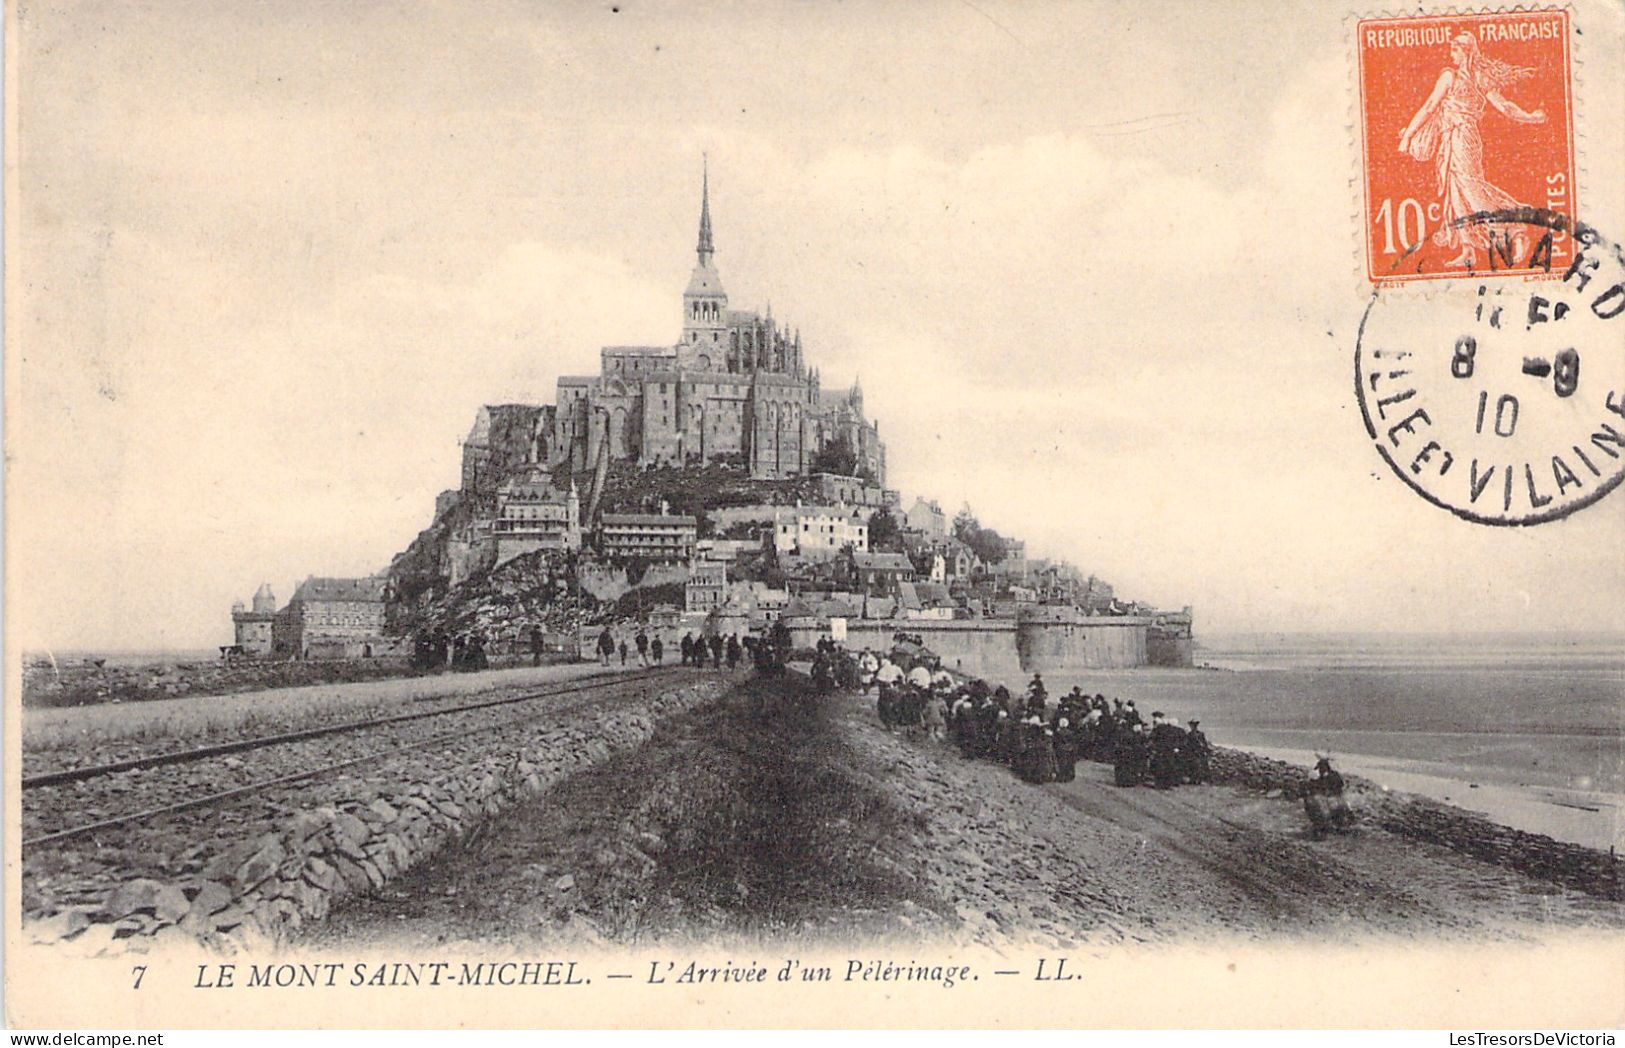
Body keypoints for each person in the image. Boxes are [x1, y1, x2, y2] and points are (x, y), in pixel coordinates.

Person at [1397, 32, 1547, 269]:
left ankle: (1515, 229)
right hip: (1451, 137)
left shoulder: (1462, 77)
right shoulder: (1462, 76)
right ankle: (1468, 249)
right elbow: (1430, 108)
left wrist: (1407, 137)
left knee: (1472, 189)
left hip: (1464, 138)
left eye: (1454, 50)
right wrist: (1530, 117)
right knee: (1455, 192)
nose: (1451, 54)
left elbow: (1429, 107)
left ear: (1465, 51)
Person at [1184, 719, 1211, 784]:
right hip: (1198, 751)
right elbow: (1204, 743)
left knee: (1194, 766)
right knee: (1198, 766)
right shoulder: (1200, 734)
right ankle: (1197, 780)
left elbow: (1187, 744)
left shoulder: (1190, 734)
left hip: (1193, 752)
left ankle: (1194, 780)